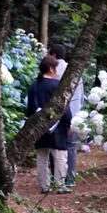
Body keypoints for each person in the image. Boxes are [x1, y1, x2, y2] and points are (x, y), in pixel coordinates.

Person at [27, 55, 72, 194]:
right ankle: (60, 185)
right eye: (56, 68)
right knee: (59, 157)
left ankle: (44, 186)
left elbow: (29, 108)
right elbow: (64, 108)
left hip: (38, 126)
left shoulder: (34, 86)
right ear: (51, 69)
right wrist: (69, 123)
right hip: (56, 127)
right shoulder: (57, 85)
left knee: (41, 157)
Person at [48, 42, 84, 187]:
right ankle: (69, 178)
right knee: (70, 147)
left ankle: (56, 176)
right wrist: (74, 119)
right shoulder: (75, 71)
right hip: (73, 114)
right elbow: (79, 97)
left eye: (47, 53)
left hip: (55, 116)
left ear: (54, 55)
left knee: (54, 146)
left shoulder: (51, 71)